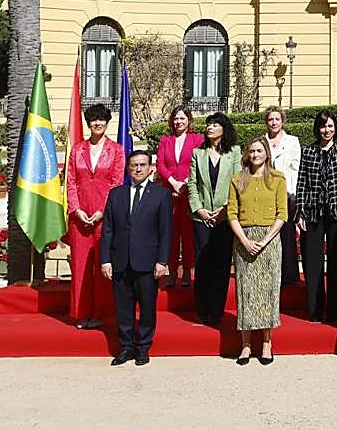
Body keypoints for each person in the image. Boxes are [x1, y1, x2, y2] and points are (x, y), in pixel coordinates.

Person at [100, 149, 171, 366]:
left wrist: (162, 261)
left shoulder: (160, 194)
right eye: (134, 165)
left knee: (148, 308)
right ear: (128, 168)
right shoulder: (116, 194)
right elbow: (108, 230)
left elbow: (166, 230)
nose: (138, 169)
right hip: (121, 260)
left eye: (142, 165)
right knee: (124, 308)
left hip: (147, 262)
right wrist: (105, 260)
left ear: (150, 168)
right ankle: (126, 347)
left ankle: (143, 347)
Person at [66, 103, 126, 329]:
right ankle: (82, 314)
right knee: (81, 268)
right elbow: (70, 181)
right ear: (88, 123)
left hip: (106, 216)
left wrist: (102, 211)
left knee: (104, 266)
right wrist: (77, 209)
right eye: (93, 120)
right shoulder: (77, 150)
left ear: (107, 122)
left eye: (101, 119)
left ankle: (103, 314)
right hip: (79, 217)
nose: (97, 123)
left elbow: (116, 183)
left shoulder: (117, 150)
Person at [228, 136, 288, 365]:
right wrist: (244, 239)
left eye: (259, 151)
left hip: (269, 240)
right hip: (244, 238)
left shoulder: (277, 179)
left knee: (268, 291)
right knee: (246, 292)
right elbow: (232, 213)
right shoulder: (237, 180)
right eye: (251, 151)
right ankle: (245, 344)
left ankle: (266, 342)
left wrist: (264, 240)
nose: (255, 155)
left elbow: (282, 214)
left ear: (266, 154)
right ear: (247, 154)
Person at [297, 109, 337, 322]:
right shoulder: (308, 151)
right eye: (323, 126)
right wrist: (301, 212)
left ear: (336, 128)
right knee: (312, 264)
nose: (327, 130)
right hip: (313, 213)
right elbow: (302, 184)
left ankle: (334, 309)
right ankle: (314, 309)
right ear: (317, 128)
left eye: (331, 126)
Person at [186, 112, 241, 327]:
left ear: (223, 129)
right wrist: (199, 210)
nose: (210, 127)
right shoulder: (197, 153)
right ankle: (202, 310)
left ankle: (217, 312)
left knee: (221, 264)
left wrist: (225, 210)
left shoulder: (234, 152)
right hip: (202, 218)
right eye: (208, 124)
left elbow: (237, 183)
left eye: (215, 124)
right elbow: (192, 185)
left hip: (225, 218)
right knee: (202, 265)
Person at [155, 106, 203, 288]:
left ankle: (187, 273)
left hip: (189, 193)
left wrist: (185, 183)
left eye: (182, 118)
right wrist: (173, 181)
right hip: (169, 193)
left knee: (188, 234)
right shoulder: (166, 140)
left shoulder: (197, 139)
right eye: (176, 118)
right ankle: (172, 271)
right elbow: (160, 163)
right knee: (170, 235)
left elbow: (198, 163)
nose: (179, 121)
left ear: (188, 120)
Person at [263, 106, 302, 286]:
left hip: (287, 192)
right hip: (267, 193)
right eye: (271, 119)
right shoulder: (262, 142)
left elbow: (296, 169)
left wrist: (294, 195)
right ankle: (270, 272)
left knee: (287, 234)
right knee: (268, 233)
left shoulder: (292, 141)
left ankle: (289, 275)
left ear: (282, 121)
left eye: (277, 119)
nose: (274, 122)